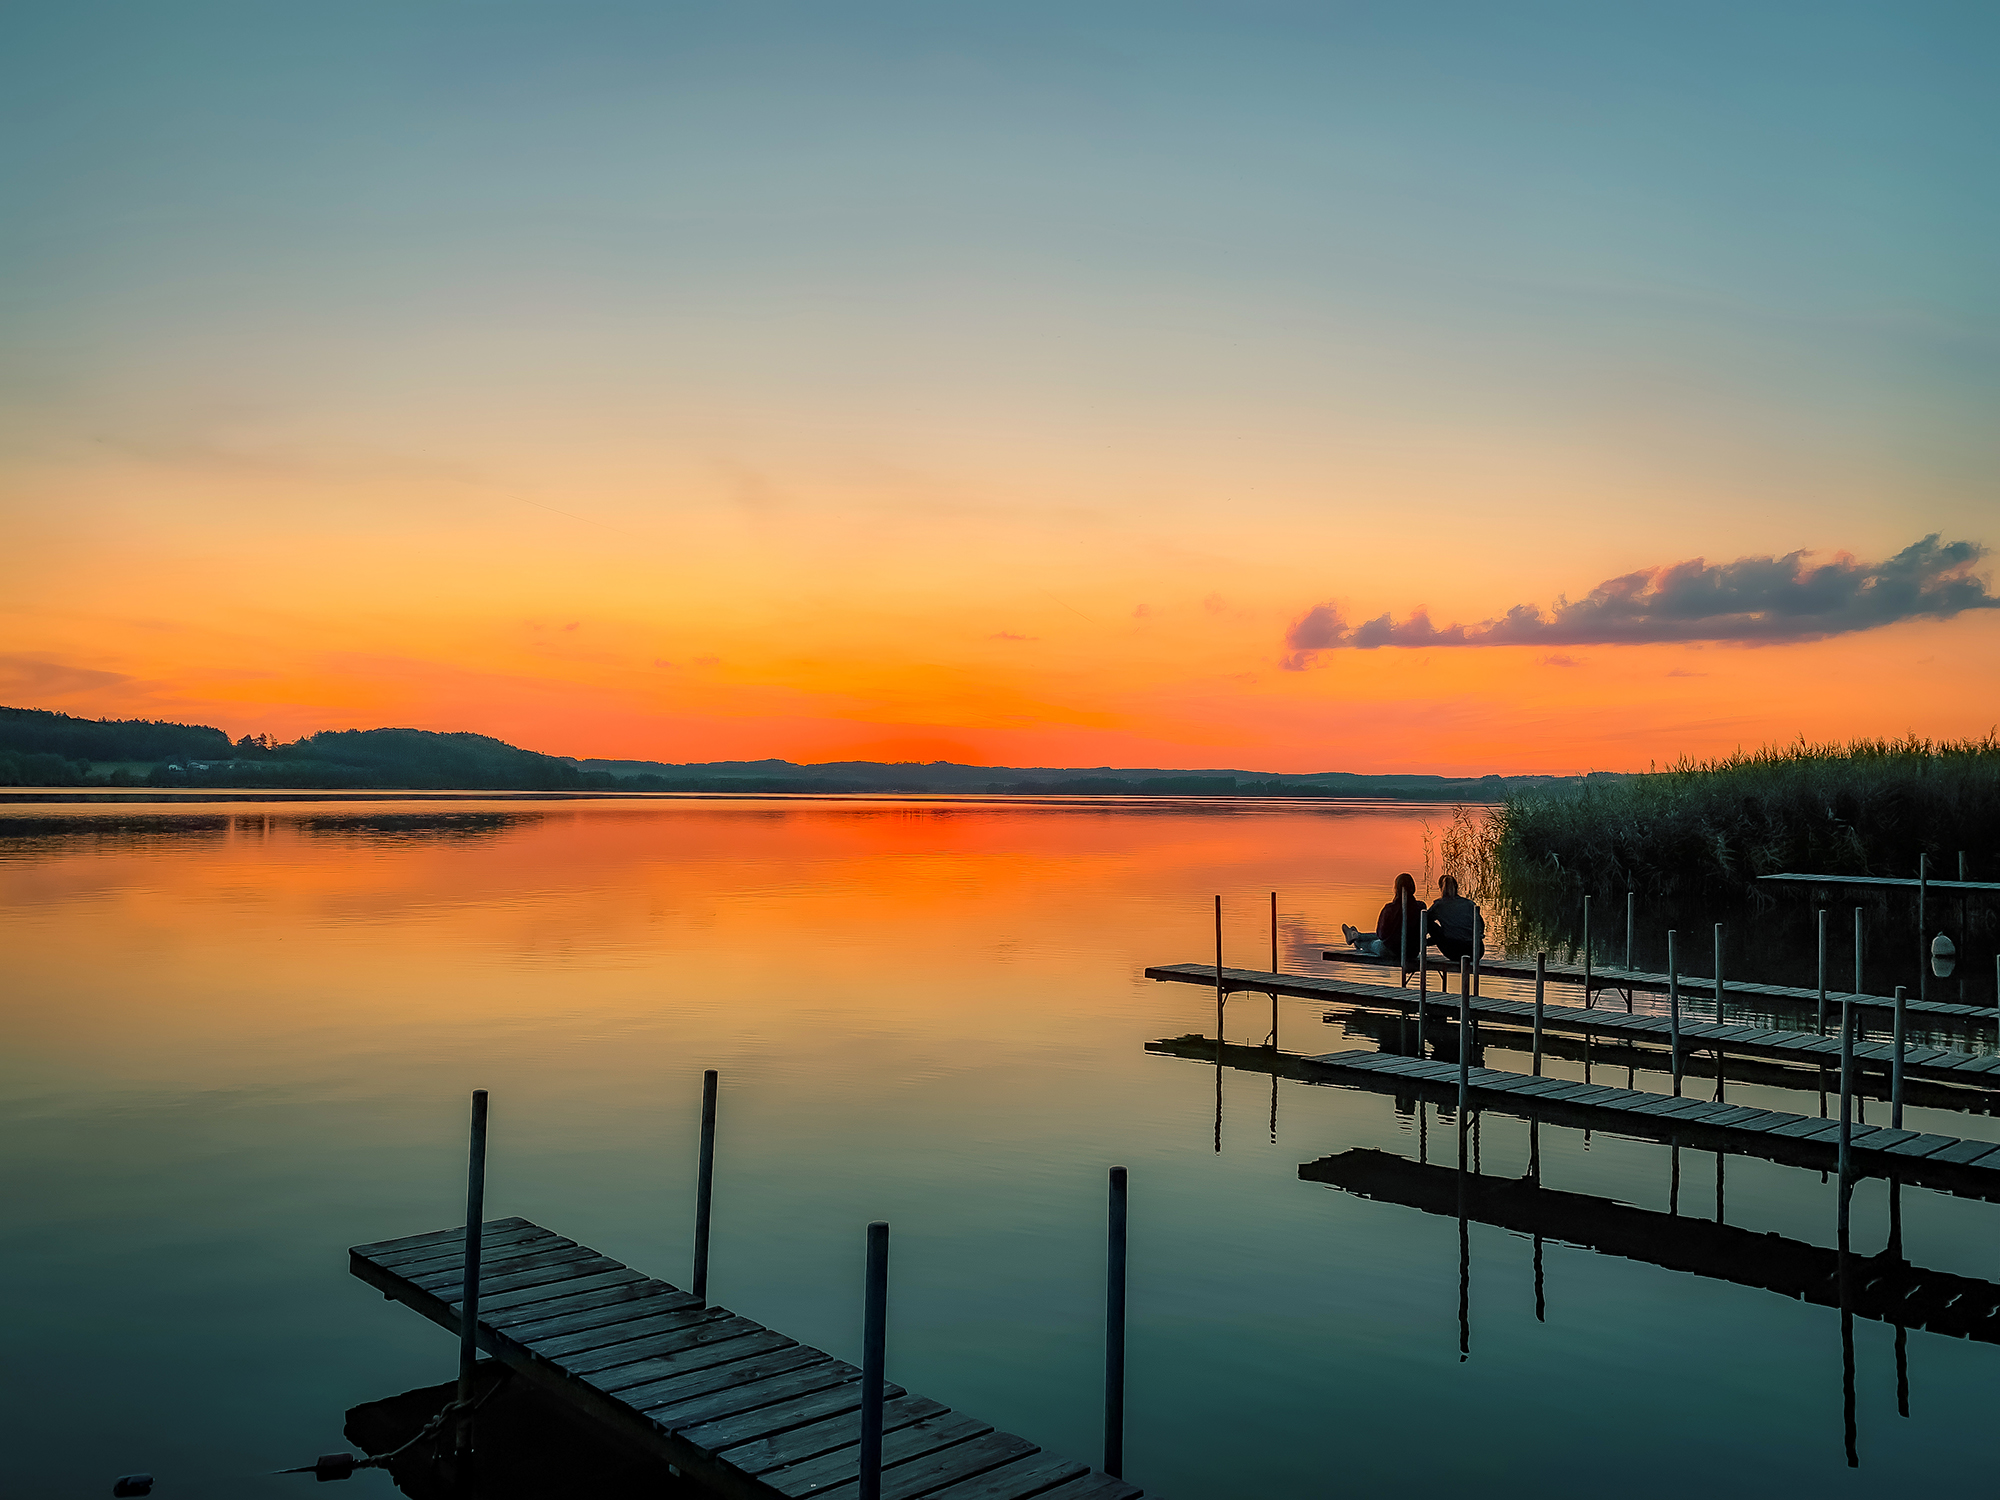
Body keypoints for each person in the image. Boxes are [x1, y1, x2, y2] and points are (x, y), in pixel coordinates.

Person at [1342, 873, 1427, 964]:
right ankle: (1357, 935)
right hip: (1412, 952)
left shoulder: (1390, 909)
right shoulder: (1421, 907)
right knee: (1387, 938)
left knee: (1370, 944)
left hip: (1391, 951)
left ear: (1396, 889)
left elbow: (1381, 935)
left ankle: (1356, 939)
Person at [1425, 874, 1485, 964]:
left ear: (1441, 888)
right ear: (1457, 887)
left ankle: (1420, 943)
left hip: (1454, 951)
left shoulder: (1439, 905)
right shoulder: (1470, 904)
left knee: (1428, 921)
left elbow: (1424, 922)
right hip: (1476, 951)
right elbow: (1481, 926)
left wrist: (1425, 942)